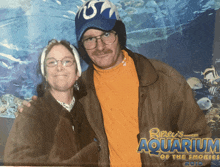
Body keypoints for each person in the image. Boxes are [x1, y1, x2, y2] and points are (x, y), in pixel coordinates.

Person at [19, 0, 211, 166]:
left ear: (119, 34)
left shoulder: (163, 78)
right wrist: (33, 114)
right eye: (90, 39)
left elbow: (201, 143)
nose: (100, 46)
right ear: (82, 45)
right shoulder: (77, 88)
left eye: (107, 34)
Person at [4, 39, 98, 166]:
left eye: (67, 61)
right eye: (52, 62)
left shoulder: (90, 110)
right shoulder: (31, 114)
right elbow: (17, 161)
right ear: (45, 75)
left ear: (77, 72)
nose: (59, 67)